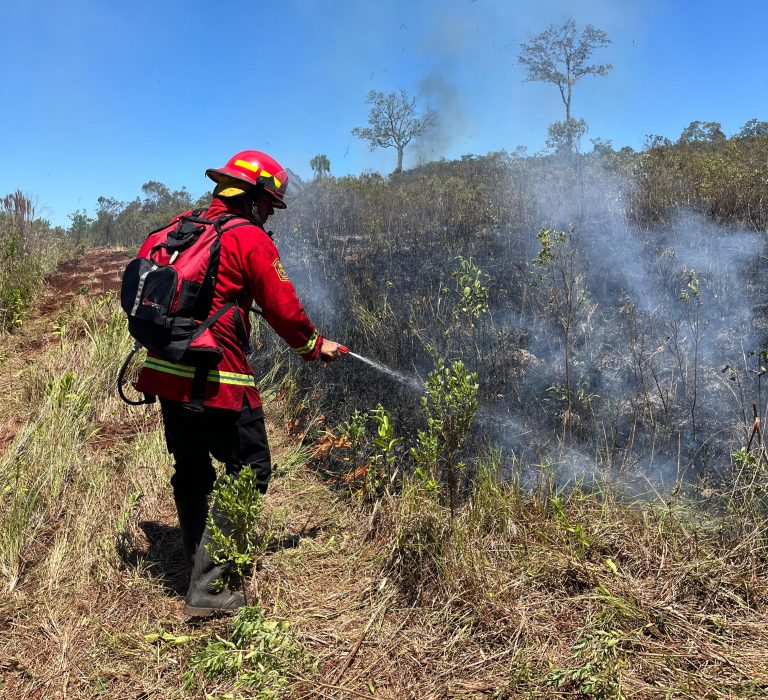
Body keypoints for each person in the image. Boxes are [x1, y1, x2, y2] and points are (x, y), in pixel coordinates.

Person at [134, 149, 341, 616]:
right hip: (217, 376)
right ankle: (209, 588)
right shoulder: (248, 237)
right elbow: (282, 305)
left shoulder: (174, 229)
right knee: (252, 468)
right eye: (269, 205)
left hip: (164, 371)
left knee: (191, 469)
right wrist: (313, 345)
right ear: (252, 198)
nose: (270, 214)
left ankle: (194, 566)